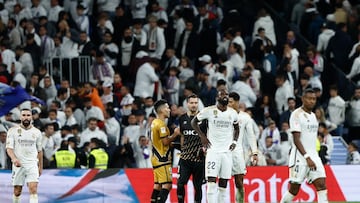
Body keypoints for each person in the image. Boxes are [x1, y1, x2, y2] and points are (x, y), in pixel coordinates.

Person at [191, 89, 239, 203]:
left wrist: (235, 142)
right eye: (222, 94)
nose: (225, 97)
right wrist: (202, 137)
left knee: (223, 184)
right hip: (213, 151)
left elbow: (237, 128)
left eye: (226, 94)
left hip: (226, 152)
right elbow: (193, 122)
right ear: (217, 98)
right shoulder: (209, 111)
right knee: (211, 183)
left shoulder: (232, 113)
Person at [280, 89, 328, 203]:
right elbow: (296, 140)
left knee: (321, 186)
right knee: (294, 190)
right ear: (303, 99)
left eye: (314, 99)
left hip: (314, 156)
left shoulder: (313, 116)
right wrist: (307, 157)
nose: (312, 101)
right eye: (309, 98)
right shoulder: (296, 115)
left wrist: (313, 156)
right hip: (300, 158)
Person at [6, 108, 43, 203]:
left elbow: (40, 151)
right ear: (20, 117)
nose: (26, 117)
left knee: (33, 189)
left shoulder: (37, 132)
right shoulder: (12, 131)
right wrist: (14, 159)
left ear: (31, 117)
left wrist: (40, 167)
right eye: (24, 115)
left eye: (28, 115)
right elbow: (9, 148)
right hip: (18, 164)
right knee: (17, 191)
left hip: (32, 164)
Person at [228, 92, 258, 203]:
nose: (229, 104)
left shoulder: (245, 117)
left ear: (237, 102)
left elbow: (251, 135)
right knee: (221, 180)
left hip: (237, 152)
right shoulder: (223, 115)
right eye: (228, 102)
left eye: (231, 102)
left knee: (239, 181)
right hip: (223, 152)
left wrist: (254, 152)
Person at [150, 99, 180, 203]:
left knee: (157, 185)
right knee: (167, 184)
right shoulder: (161, 125)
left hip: (155, 158)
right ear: (162, 110)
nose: (169, 110)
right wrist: (175, 134)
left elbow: (160, 142)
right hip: (162, 159)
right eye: (167, 108)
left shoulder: (154, 122)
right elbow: (165, 142)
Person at [177, 94, 205, 203]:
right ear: (187, 104)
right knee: (180, 184)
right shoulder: (182, 118)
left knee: (198, 186)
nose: (194, 105)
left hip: (199, 158)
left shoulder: (203, 119)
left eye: (196, 103)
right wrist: (183, 150)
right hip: (185, 159)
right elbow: (183, 136)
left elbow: (207, 136)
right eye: (192, 103)